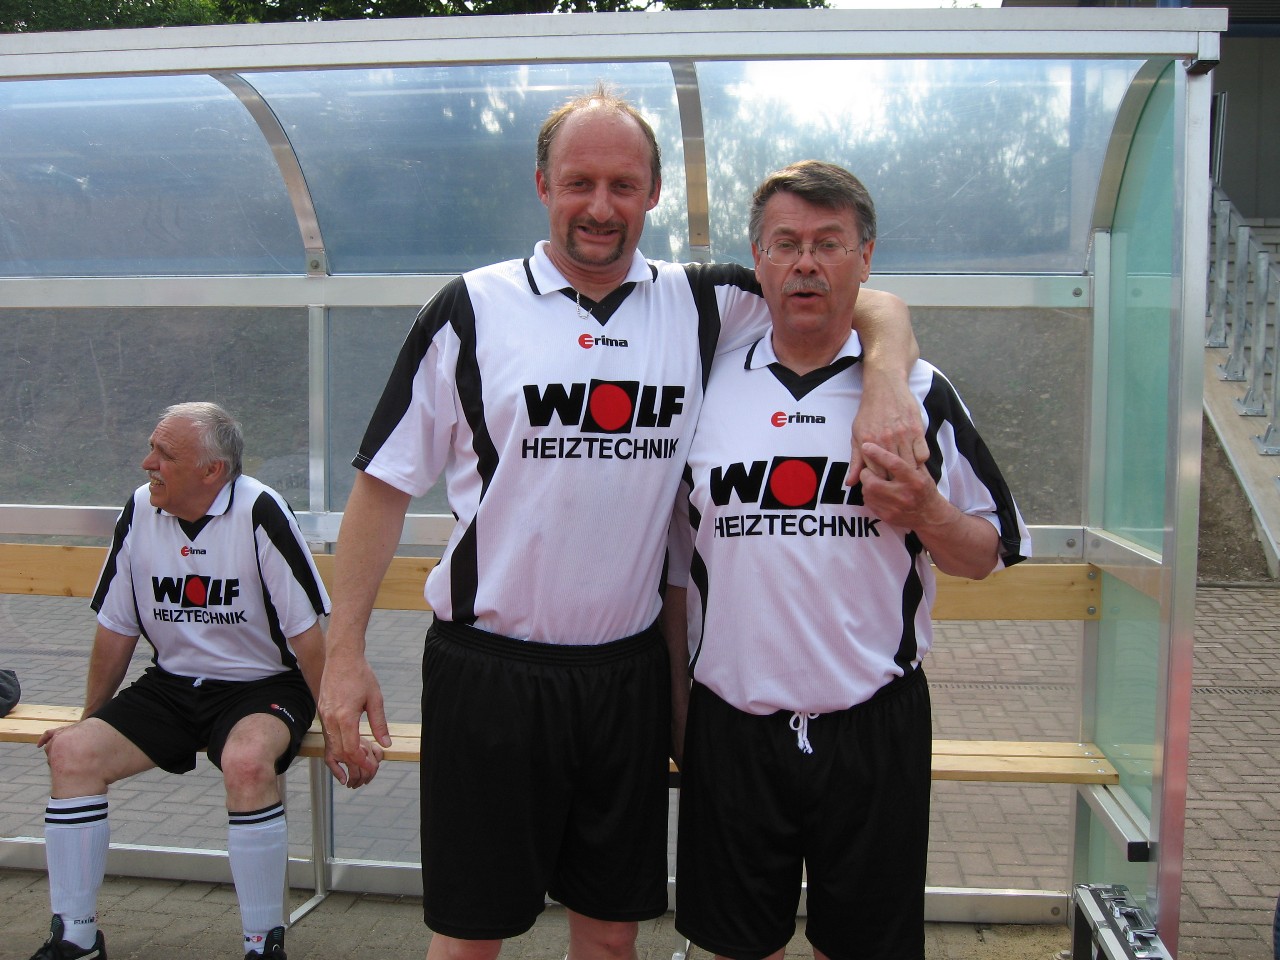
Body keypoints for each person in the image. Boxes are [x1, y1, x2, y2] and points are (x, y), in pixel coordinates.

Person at [317, 87, 925, 960]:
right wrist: (343, 655)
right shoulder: (470, 308)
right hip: (490, 674)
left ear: (653, 194)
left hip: (625, 679)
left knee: (609, 939)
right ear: (543, 186)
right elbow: (382, 487)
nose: (600, 207)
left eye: (623, 185)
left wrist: (888, 379)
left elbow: (860, 296)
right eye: (580, 182)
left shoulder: (703, 303)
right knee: (469, 941)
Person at [665, 160, 1032, 960]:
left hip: (874, 725)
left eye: (829, 243)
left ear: (865, 259)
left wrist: (927, 510)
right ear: (758, 259)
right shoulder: (705, 387)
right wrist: (681, 707)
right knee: (736, 946)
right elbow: (674, 574)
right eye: (786, 243)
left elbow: (987, 552)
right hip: (734, 723)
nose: (806, 263)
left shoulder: (918, 394)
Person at [28, 402, 382, 960]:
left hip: (264, 686)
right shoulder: (139, 509)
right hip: (171, 685)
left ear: (212, 470)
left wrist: (340, 731)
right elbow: (116, 630)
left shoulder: (260, 510)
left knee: (247, 761)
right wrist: (89, 720)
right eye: (152, 449)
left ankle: (262, 944)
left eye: (164, 454)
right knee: (72, 753)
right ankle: (76, 937)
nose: (148, 463)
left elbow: (308, 637)